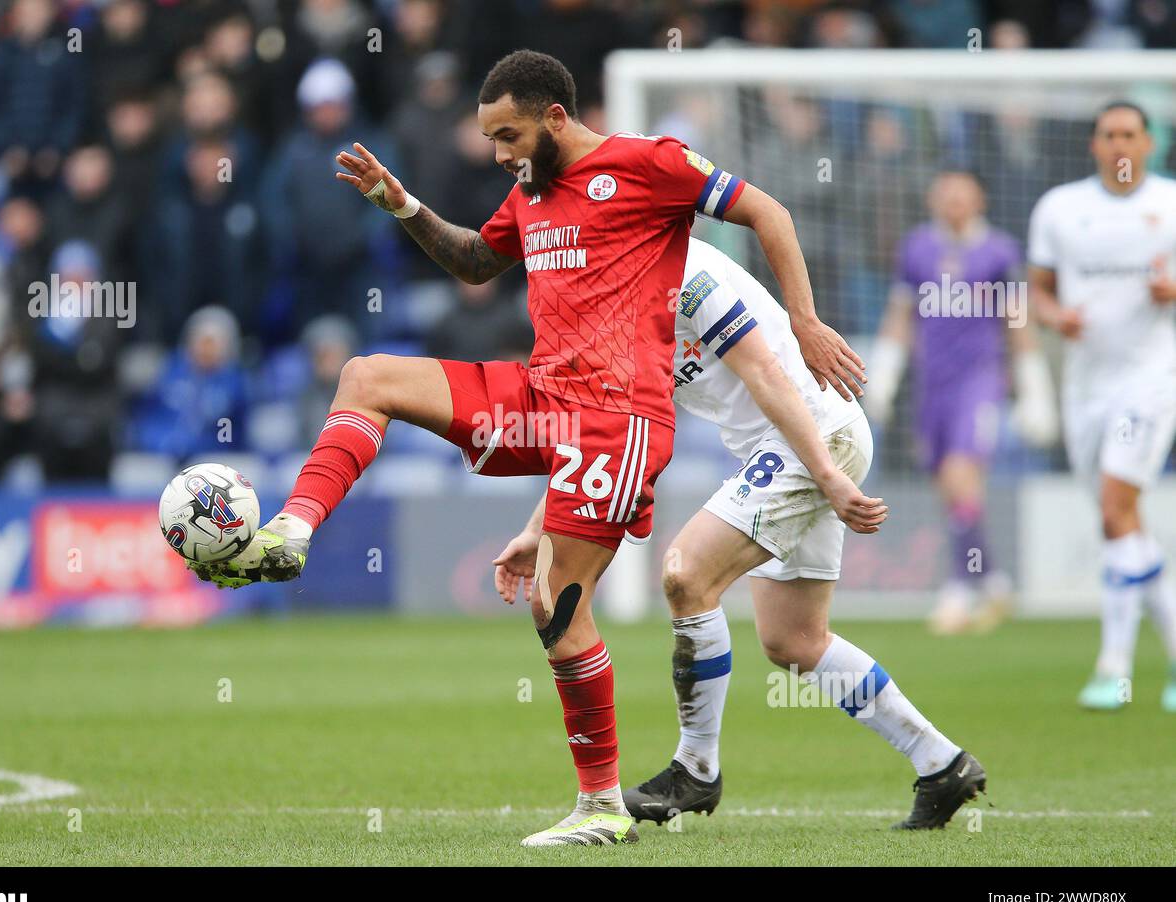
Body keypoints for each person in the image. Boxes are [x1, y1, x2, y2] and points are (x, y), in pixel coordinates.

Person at [186, 50, 864, 847]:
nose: (499, 154)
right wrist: (400, 203)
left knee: (555, 604)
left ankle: (603, 806)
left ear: (553, 117)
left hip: (618, 420)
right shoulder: (530, 195)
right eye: (489, 140)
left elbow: (769, 214)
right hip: (542, 401)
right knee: (368, 376)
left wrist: (806, 320)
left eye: (508, 136)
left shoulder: (648, 164)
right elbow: (476, 261)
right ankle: (291, 535)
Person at [496, 237, 987, 829]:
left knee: (686, 573)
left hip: (813, 435)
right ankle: (941, 763)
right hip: (787, 448)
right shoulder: (606, 310)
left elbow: (765, 371)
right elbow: (603, 431)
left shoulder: (688, 273)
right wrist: (538, 525)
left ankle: (696, 769)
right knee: (794, 640)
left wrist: (828, 474)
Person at [1027, 101, 1176, 712]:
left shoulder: (1170, 203)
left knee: (1117, 508)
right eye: (1109, 134)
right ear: (1094, 144)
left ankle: (1113, 667)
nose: (1119, 144)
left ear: (1149, 144)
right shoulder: (1060, 208)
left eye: (1130, 134)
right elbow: (1036, 288)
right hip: (1085, 384)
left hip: (1152, 376)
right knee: (1121, 524)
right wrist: (1056, 315)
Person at [866, 170, 1057, 633]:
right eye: (945, 194)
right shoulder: (916, 248)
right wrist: (886, 371)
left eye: (962, 195)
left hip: (981, 380)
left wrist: (1034, 389)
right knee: (949, 488)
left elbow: (1018, 321)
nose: (953, 202)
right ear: (933, 199)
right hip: (932, 385)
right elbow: (900, 313)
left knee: (960, 474)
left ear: (979, 200)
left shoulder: (999, 252)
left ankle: (958, 587)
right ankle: (992, 581)